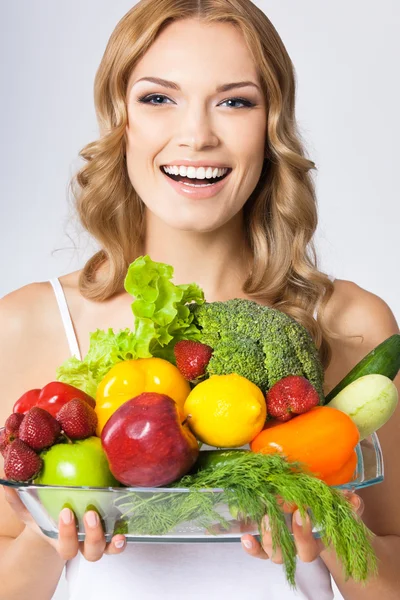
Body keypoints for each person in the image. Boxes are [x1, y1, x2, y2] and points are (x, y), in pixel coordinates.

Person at [0, 1, 399, 599]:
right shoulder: (27, 325)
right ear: (119, 117)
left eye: (236, 101)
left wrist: (332, 532)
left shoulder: (348, 326)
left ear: (272, 123)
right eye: (158, 98)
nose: (198, 135)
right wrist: (48, 531)